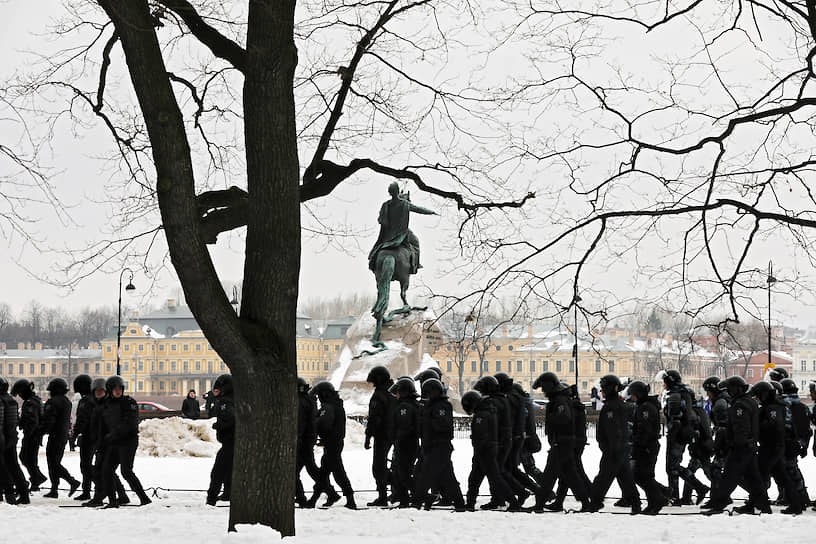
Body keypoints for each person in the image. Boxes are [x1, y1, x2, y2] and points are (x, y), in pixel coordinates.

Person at [702, 376, 771, 515]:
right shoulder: (749, 402)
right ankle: (764, 506)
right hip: (749, 447)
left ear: (735, 390)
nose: (727, 393)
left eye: (729, 390)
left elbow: (741, 427)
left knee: (728, 477)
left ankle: (718, 505)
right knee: (754, 479)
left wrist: (737, 444)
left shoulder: (740, 405)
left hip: (741, 447)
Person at [531, 372, 591, 512]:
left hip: (561, 442)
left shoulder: (560, 400)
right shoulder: (559, 399)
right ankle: (585, 503)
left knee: (549, 475)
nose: (543, 392)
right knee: (571, 475)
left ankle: (539, 504)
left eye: (543, 388)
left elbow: (564, 419)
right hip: (563, 442)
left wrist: (551, 419)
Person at [462, 389, 521, 511]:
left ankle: (513, 502)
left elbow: (481, 435)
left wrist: (478, 447)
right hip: (488, 449)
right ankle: (470, 503)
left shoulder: (481, 415)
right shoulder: (489, 410)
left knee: (493, 479)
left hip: (485, 451)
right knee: (478, 479)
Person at [412, 378, 465, 511]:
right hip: (432, 446)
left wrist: (428, 422)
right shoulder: (432, 406)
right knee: (448, 478)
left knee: (425, 476)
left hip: (439, 446)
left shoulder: (442, 406)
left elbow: (443, 426)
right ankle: (459, 503)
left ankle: (417, 502)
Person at [99, 375, 151, 507]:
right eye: (115, 389)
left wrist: (114, 433)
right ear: (110, 390)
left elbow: (130, 423)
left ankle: (144, 498)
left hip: (128, 440)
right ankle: (113, 501)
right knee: (107, 469)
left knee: (126, 471)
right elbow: (103, 424)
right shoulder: (107, 404)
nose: (118, 391)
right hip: (114, 441)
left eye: (119, 389)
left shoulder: (129, 403)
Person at [306, 381, 356, 509]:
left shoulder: (328, 407)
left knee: (338, 472)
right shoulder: (335, 405)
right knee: (324, 472)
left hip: (332, 443)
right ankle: (314, 499)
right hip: (333, 443)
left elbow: (323, 423)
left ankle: (350, 499)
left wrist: (314, 426)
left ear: (324, 394)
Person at [368, 181, 436, 274]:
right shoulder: (405, 204)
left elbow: (380, 220)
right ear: (398, 191)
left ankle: (373, 260)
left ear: (390, 193)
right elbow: (419, 209)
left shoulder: (385, 205)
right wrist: (431, 212)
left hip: (387, 235)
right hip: (401, 233)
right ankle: (416, 264)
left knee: (377, 247)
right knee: (415, 241)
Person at [661, 369, 704, 504]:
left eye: (665, 382)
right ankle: (680, 493)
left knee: (672, 467)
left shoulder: (675, 395)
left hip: (677, 435)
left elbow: (675, 419)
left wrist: (673, 435)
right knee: (674, 466)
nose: (664, 385)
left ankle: (680, 494)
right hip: (685, 433)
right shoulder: (686, 393)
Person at [627, 380, 668, 514]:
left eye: (633, 394)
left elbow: (645, 429)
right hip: (646, 445)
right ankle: (655, 500)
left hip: (647, 446)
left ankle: (658, 500)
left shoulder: (646, 407)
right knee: (644, 475)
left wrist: (639, 444)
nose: (632, 397)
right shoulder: (645, 405)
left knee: (642, 475)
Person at [41, 377, 81, 498]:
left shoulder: (53, 402)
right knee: (55, 462)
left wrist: (41, 431)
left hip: (55, 436)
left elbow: (49, 420)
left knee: (53, 463)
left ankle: (71, 482)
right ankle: (55, 489)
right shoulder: (66, 401)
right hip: (63, 435)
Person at [295, 377, 329, 507]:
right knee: (311, 469)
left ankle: (301, 497)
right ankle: (329, 492)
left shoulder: (300, 402)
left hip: (303, 441)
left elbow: (300, 424)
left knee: (296, 472)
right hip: (308, 440)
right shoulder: (309, 400)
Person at [364, 365, 395, 507]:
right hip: (393, 433)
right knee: (382, 466)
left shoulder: (379, 395)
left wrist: (368, 436)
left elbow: (374, 418)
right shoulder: (393, 392)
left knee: (378, 467)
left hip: (382, 434)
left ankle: (384, 495)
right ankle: (398, 487)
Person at [388, 376, 421, 508]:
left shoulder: (405, 407)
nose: (396, 395)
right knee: (400, 474)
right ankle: (404, 500)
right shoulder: (410, 405)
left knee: (403, 474)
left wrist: (396, 438)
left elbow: (405, 427)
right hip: (407, 444)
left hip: (406, 445)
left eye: (398, 392)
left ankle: (418, 496)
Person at [11, 379, 46, 492]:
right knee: (29, 458)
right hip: (34, 435)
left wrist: (28, 435)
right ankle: (36, 480)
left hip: (32, 435)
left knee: (26, 458)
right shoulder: (35, 400)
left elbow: (32, 421)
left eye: (20, 393)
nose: (20, 396)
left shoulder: (30, 402)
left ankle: (37, 478)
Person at [0, 377, 30, 504]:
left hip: (2, 437)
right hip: (11, 437)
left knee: (2, 467)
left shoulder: (1, 401)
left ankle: (9, 496)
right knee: (13, 466)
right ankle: (23, 493)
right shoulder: (11, 400)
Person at [206, 374, 235, 505]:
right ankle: (228, 493)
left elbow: (230, 419)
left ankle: (211, 498)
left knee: (217, 472)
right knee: (228, 471)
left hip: (230, 441)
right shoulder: (234, 398)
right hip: (232, 441)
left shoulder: (226, 401)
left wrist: (218, 425)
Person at [71, 374, 95, 501]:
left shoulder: (85, 401)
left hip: (88, 437)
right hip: (95, 436)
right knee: (90, 465)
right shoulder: (94, 399)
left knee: (86, 465)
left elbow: (82, 420)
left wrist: (74, 435)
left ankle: (88, 491)